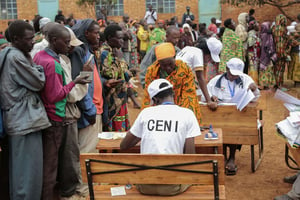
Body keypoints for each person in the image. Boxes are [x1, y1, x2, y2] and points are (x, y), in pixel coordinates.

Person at [33, 24, 90, 200]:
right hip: (57, 117)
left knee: (51, 163)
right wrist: (76, 81)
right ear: (53, 40)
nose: (68, 46)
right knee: (52, 165)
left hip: (45, 115)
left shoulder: (39, 56)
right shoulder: (53, 63)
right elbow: (56, 95)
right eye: (65, 42)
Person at [121, 78, 200, 196]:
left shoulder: (146, 113)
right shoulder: (187, 114)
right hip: (173, 186)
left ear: (155, 100)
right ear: (172, 94)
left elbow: (124, 146)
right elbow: (190, 156)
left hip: (144, 185)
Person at [0, 20, 51, 200]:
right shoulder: (16, 57)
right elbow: (38, 82)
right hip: (24, 121)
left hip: (19, 119)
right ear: (16, 39)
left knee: (21, 172)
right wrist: (35, 65)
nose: (32, 42)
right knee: (27, 174)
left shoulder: (9, 53)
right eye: (29, 39)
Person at [206, 58, 260, 175]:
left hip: (238, 115)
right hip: (220, 115)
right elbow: (206, 95)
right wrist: (211, 98)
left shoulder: (246, 79)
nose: (234, 77)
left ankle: (232, 157)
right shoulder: (216, 81)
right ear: (226, 69)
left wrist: (254, 90)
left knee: (235, 126)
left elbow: (255, 98)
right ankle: (223, 155)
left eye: (236, 75)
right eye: (231, 74)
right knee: (223, 126)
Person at [142, 42, 202, 125]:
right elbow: (149, 97)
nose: (168, 68)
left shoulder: (184, 69)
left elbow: (188, 95)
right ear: (158, 62)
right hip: (159, 111)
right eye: (163, 65)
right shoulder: (152, 72)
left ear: (175, 57)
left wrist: (184, 120)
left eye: (170, 64)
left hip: (181, 108)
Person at [100, 24, 131, 131]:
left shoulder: (114, 51)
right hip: (112, 99)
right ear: (109, 38)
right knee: (113, 132)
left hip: (119, 97)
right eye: (119, 38)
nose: (122, 41)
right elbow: (116, 75)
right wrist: (121, 60)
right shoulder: (105, 53)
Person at [176, 46, 218, 110]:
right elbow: (200, 78)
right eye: (209, 58)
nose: (208, 61)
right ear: (206, 54)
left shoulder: (188, 48)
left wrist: (210, 96)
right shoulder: (198, 53)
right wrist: (209, 101)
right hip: (180, 84)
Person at [272, 14, 290, 88]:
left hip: (274, 52)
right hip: (280, 52)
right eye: (284, 19)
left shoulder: (274, 27)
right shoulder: (280, 29)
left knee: (276, 69)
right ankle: (279, 85)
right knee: (280, 69)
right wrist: (283, 54)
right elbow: (280, 43)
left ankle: (277, 84)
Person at [259, 22, 276, 89]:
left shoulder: (261, 35)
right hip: (267, 55)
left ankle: (264, 84)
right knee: (268, 69)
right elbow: (270, 46)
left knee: (264, 70)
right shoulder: (268, 36)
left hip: (262, 55)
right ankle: (267, 84)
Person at [247, 20, 260, 84]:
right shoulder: (252, 33)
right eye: (257, 25)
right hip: (252, 53)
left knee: (254, 67)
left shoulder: (254, 32)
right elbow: (250, 43)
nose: (258, 26)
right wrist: (257, 42)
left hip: (254, 52)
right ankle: (253, 82)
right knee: (253, 67)